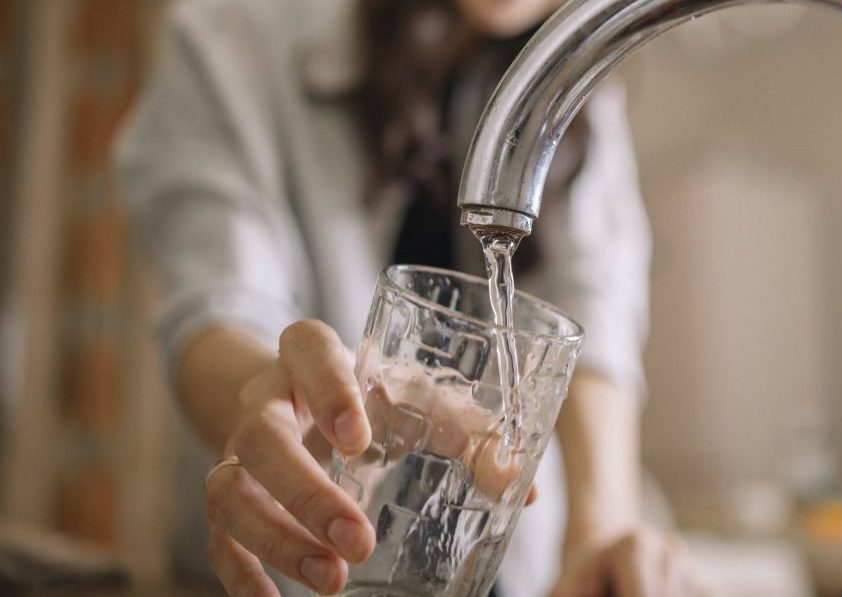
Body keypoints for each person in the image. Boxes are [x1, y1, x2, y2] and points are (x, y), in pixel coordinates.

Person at [115, 0, 707, 595]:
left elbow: (592, 307)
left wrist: (598, 531)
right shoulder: (231, 37)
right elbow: (218, 302)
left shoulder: (573, 72)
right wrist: (266, 396)